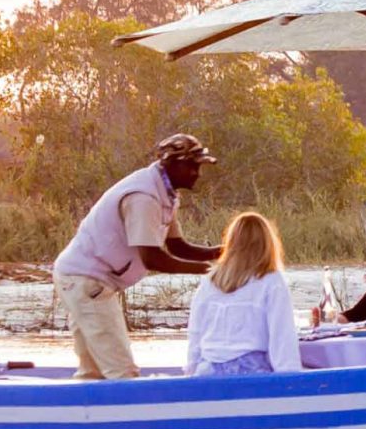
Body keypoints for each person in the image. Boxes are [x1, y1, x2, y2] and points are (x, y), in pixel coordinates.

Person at [51, 134, 223, 380]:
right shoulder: (144, 197)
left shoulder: (165, 192)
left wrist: (226, 252)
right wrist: (211, 271)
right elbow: (153, 258)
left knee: (93, 373)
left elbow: (177, 247)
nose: (198, 173)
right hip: (88, 283)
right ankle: (127, 416)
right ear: (172, 164)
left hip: (82, 280)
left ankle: (91, 416)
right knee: (122, 373)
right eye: (193, 166)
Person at [185, 212, 303, 377]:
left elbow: (196, 332)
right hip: (250, 369)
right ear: (268, 244)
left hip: (208, 369)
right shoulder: (271, 281)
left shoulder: (210, 280)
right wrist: (291, 378)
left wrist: (191, 372)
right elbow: (282, 336)